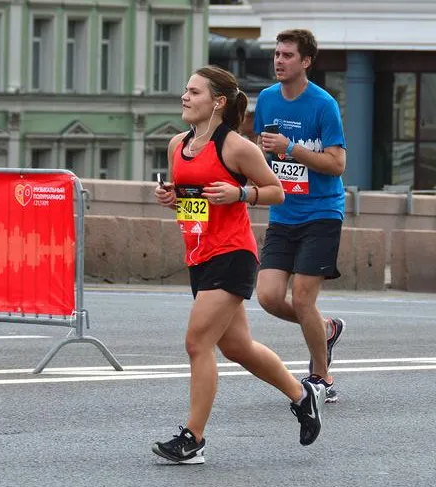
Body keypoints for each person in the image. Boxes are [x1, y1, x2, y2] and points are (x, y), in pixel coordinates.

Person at [151, 65, 327, 465]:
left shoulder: (235, 147)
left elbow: (276, 192)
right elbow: (190, 198)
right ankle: (303, 397)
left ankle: (192, 438)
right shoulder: (177, 144)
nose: (185, 97)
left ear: (217, 102)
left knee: (197, 342)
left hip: (232, 254)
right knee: (238, 347)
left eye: (194, 92)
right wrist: (172, 196)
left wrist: (240, 193)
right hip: (198, 252)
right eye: (185, 89)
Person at [252, 29, 347, 401]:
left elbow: (337, 164)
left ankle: (322, 378)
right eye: (276, 54)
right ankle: (324, 329)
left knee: (303, 298)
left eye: (288, 55)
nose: (279, 60)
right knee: (269, 296)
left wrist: (291, 148)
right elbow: (264, 156)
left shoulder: (323, 105)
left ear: (306, 62)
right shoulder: (267, 100)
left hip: (322, 212)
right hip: (283, 213)